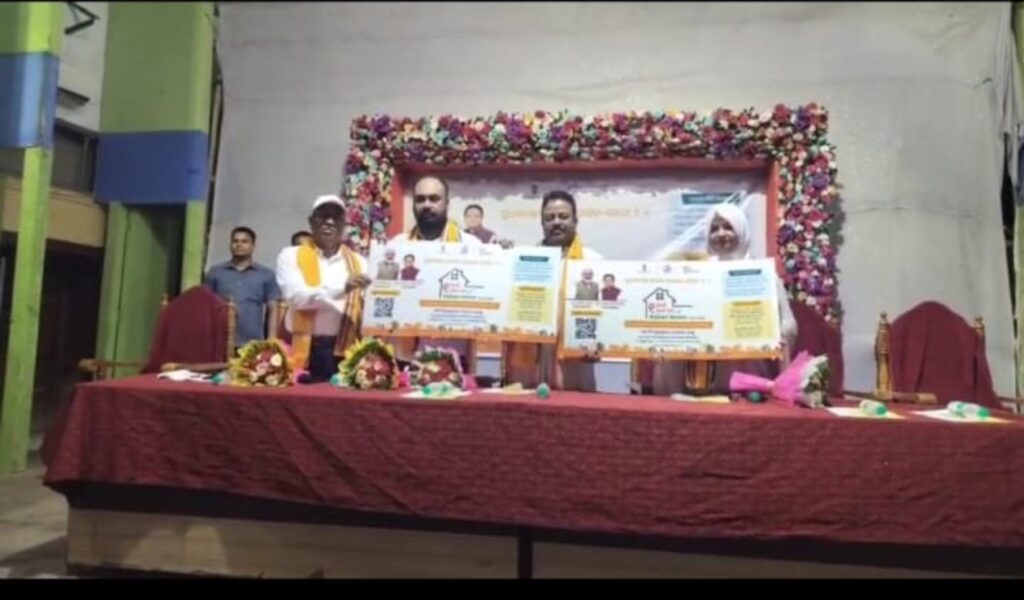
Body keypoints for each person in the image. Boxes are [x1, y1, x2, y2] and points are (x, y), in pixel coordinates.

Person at [644, 203, 798, 396]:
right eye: (714, 229)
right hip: (702, 361)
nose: (721, 233)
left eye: (728, 227)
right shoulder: (699, 273)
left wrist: (778, 338)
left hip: (746, 360)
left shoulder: (761, 274)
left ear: (741, 230)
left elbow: (789, 323)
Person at [503, 190, 603, 392]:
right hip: (531, 364)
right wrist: (500, 259)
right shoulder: (525, 261)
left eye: (563, 216)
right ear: (542, 223)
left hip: (574, 363)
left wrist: (601, 342)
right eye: (550, 218)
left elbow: (606, 315)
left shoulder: (593, 262)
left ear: (575, 221)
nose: (556, 222)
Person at [387, 175, 483, 370]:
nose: (427, 205)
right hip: (405, 357)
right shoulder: (397, 247)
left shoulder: (472, 247)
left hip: (455, 357)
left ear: (447, 203)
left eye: (434, 198)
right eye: (420, 199)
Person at [275, 195, 371, 382]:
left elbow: (369, 306)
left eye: (336, 217)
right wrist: (342, 287)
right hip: (303, 349)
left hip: (345, 351)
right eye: (323, 216)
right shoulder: (291, 256)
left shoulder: (360, 263)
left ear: (344, 225)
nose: (329, 222)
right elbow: (298, 298)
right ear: (311, 222)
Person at [204, 226, 281, 346]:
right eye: (235, 241)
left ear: (253, 246)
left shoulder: (266, 274)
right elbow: (205, 306)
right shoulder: (216, 272)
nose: (239, 244)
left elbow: (273, 309)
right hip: (219, 341)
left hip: (252, 343)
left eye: (244, 241)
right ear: (230, 245)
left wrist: (271, 339)